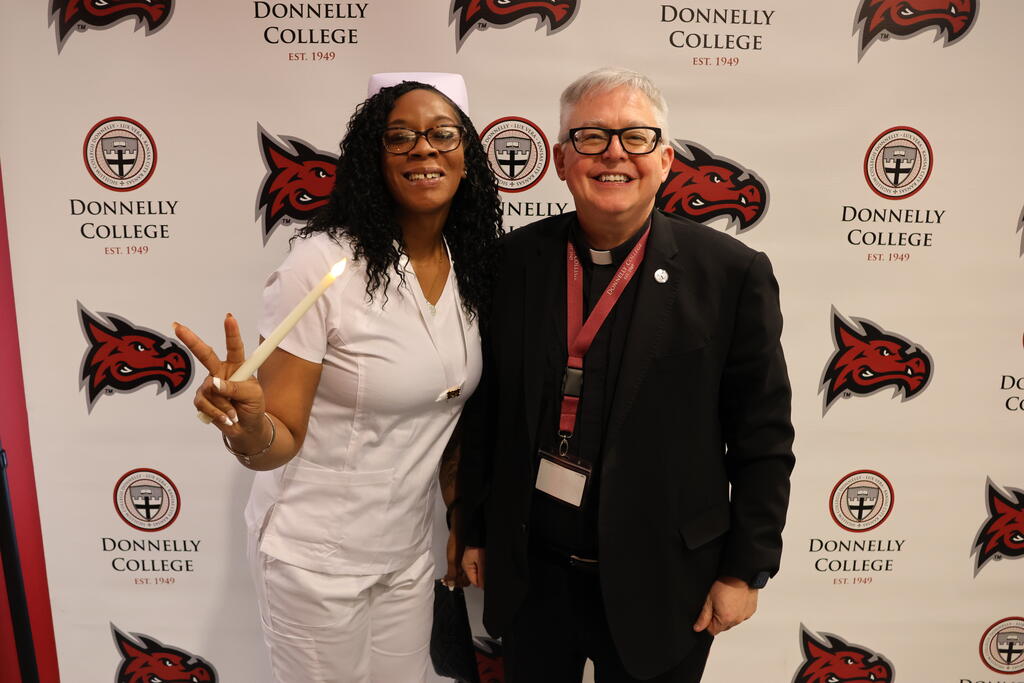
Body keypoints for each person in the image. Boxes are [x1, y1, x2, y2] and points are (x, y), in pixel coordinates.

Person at [459, 67, 795, 683]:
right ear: (561, 160)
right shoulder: (512, 264)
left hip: (666, 584)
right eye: (590, 137)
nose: (614, 154)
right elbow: (489, 410)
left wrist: (745, 570)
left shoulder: (730, 274)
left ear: (665, 160)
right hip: (534, 577)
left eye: (636, 137)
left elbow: (763, 437)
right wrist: (475, 530)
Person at [174, 73, 501, 683]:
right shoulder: (323, 265)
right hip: (314, 560)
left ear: (467, 155)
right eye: (399, 137)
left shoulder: (471, 267)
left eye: (442, 134)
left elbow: (450, 413)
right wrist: (246, 427)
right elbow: (277, 440)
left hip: (407, 552)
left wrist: (461, 518)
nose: (423, 149)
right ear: (372, 159)